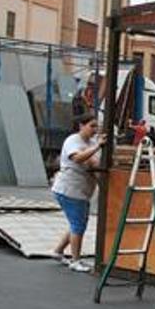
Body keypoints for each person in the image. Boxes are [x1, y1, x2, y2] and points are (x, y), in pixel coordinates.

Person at [51, 113, 106, 273]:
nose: (95, 130)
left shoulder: (91, 142)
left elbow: (94, 163)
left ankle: (58, 251)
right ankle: (75, 260)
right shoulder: (73, 141)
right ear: (81, 125)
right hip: (70, 189)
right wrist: (97, 146)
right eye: (92, 126)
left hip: (81, 191)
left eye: (97, 126)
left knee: (77, 223)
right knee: (78, 225)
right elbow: (77, 158)